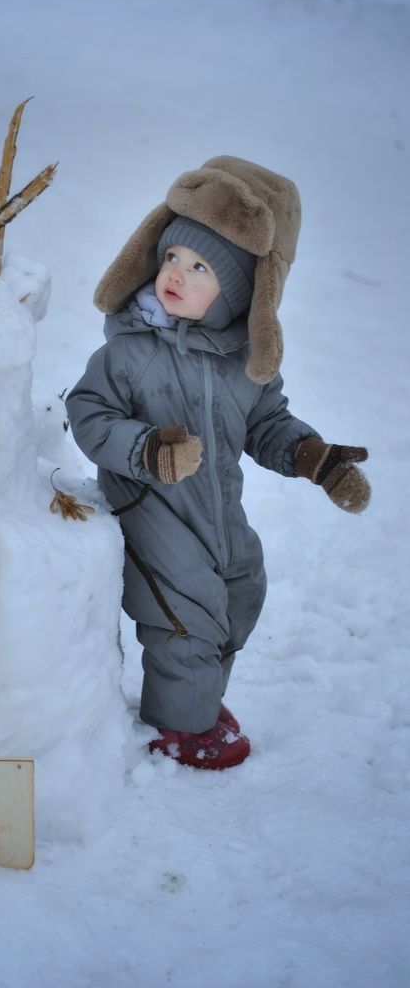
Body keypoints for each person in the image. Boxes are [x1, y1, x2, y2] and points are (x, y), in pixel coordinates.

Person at [65, 156, 370, 770]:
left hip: (219, 510)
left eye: (200, 267)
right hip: (151, 509)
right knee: (185, 615)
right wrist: (146, 448)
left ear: (238, 294)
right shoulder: (129, 351)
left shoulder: (244, 363)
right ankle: (180, 727)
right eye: (172, 257)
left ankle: (197, 700)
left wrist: (314, 458)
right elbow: (88, 413)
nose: (175, 273)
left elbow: (267, 424)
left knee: (240, 593)